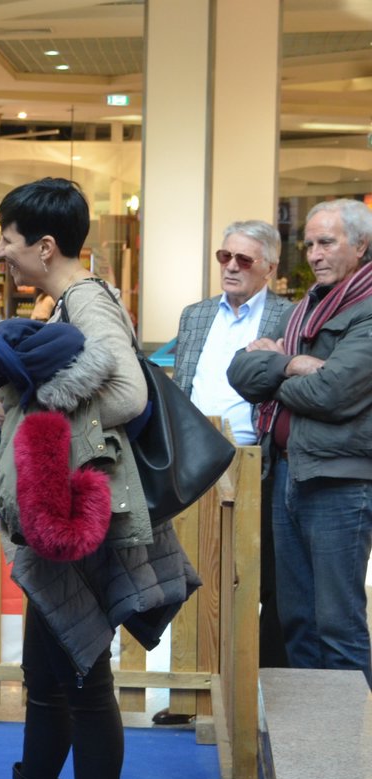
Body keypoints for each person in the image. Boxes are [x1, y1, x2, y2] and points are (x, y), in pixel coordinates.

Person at [0, 177, 199, 779]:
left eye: (5, 239)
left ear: (45, 245)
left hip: (81, 520)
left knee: (84, 681)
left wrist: (36, 398)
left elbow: (127, 394)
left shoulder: (88, 300)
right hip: (65, 516)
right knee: (48, 676)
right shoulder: (66, 300)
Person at [229, 198, 372, 689]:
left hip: (340, 483)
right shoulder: (306, 306)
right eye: (308, 243)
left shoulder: (367, 310)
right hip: (288, 471)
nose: (313, 253)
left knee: (338, 626)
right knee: (297, 622)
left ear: (361, 245)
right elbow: (240, 371)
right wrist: (291, 364)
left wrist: (273, 367)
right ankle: (307, 749)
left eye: (326, 242)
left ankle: (351, 755)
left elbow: (333, 392)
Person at [160, 221, 294, 706]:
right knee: (197, 575)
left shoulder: (289, 315)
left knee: (262, 579)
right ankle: (193, 694)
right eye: (224, 257)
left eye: (244, 260)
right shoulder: (195, 315)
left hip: (262, 463)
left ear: (271, 268)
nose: (231, 267)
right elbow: (182, 381)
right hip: (196, 462)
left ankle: (260, 695)